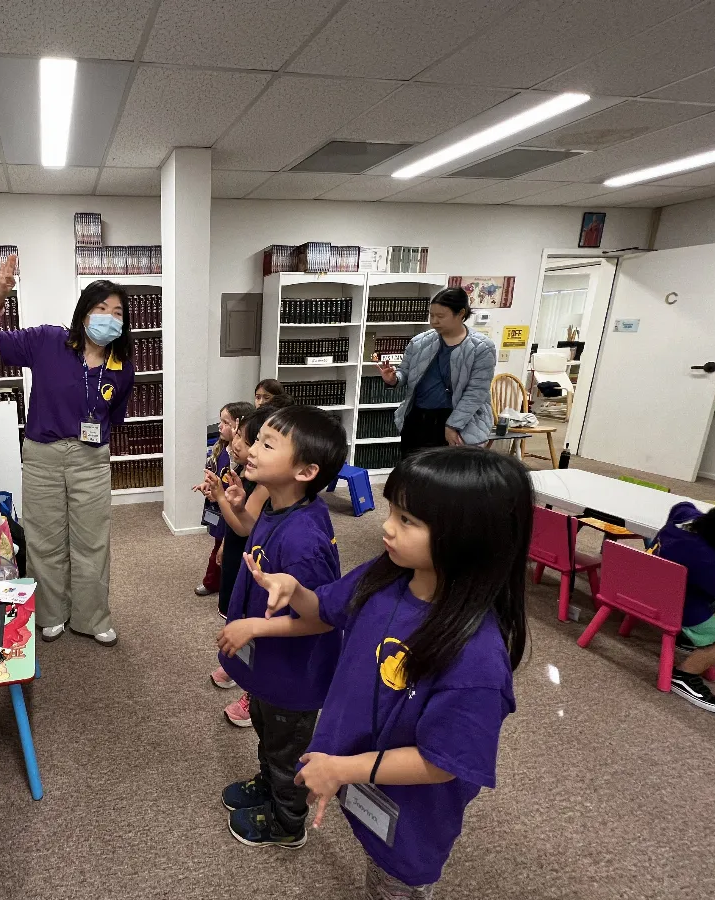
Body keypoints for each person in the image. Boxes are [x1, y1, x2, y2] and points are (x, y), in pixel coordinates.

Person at [245, 447, 530, 897]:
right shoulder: (386, 576)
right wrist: (295, 588)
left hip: (407, 810)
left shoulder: (476, 659)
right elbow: (325, 608)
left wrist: (343, 768)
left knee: (391, 884)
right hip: (358, 775)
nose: (386, 526)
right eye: (392, 511)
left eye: (407, 520)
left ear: (469, 537)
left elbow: (439, 762)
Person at [0, 255, 133, 646]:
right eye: (101, 308)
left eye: (117, 312)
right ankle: (50, 614)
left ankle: (92, 616)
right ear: (83, 312)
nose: (109, 317)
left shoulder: (122, 366)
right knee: (45, 539)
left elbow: (113, 418)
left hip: (91, 460)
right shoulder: (47, 340)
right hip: (43, 457)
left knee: (92, 541)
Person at [215, 406, 348, 848]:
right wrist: (239, 511)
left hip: (296, 674)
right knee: (266, 730)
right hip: (273, 667)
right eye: (257, 440)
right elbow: (264, 545)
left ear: (306, 471)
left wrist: (254, 625)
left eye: (267, 444)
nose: (250, 448)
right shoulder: (278, 506)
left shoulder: (306, 541)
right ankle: (270, 784)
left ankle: (287, 822)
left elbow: (320, 620)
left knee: (287, 749)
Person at [204, 404, 275, 727]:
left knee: (257, 629)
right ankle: (239, 667)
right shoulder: (248, 478)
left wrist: (221, 498)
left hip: (259, 566)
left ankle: (254, 691)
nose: (240, 447)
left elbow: (244, 527)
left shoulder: (265, 489)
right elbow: (245, 526)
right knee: (238, 613)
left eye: (260, 443)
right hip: (246, 557)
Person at [376, 287, 496, 453]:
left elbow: (476, 392)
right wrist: (394, 379)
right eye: (431, 315)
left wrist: (453, 425)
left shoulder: (481, 348)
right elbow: (405, 372)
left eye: (440, 316)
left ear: (461, 314)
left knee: (446, 474)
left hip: (454, 421)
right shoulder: (419, 342)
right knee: (412, 471)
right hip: (417, 417)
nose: (434, 321)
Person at [653, 501, 715, 714]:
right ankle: (684, 675)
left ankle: (712, 645)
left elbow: (681, 504)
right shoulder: (706, 561)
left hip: (651, 589)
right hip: (681, 608)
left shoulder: (684, 517)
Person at [195, 402, 254, 598]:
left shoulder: (244, 460)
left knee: (224, 550)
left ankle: (215, 583)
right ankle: (214, 582)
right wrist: (208, 486)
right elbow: (212, 475)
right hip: (218, 508)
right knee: (218, 545)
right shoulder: (218, 450)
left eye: (225, 422)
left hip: (234, 511)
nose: (220, 426)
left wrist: (220, 494)